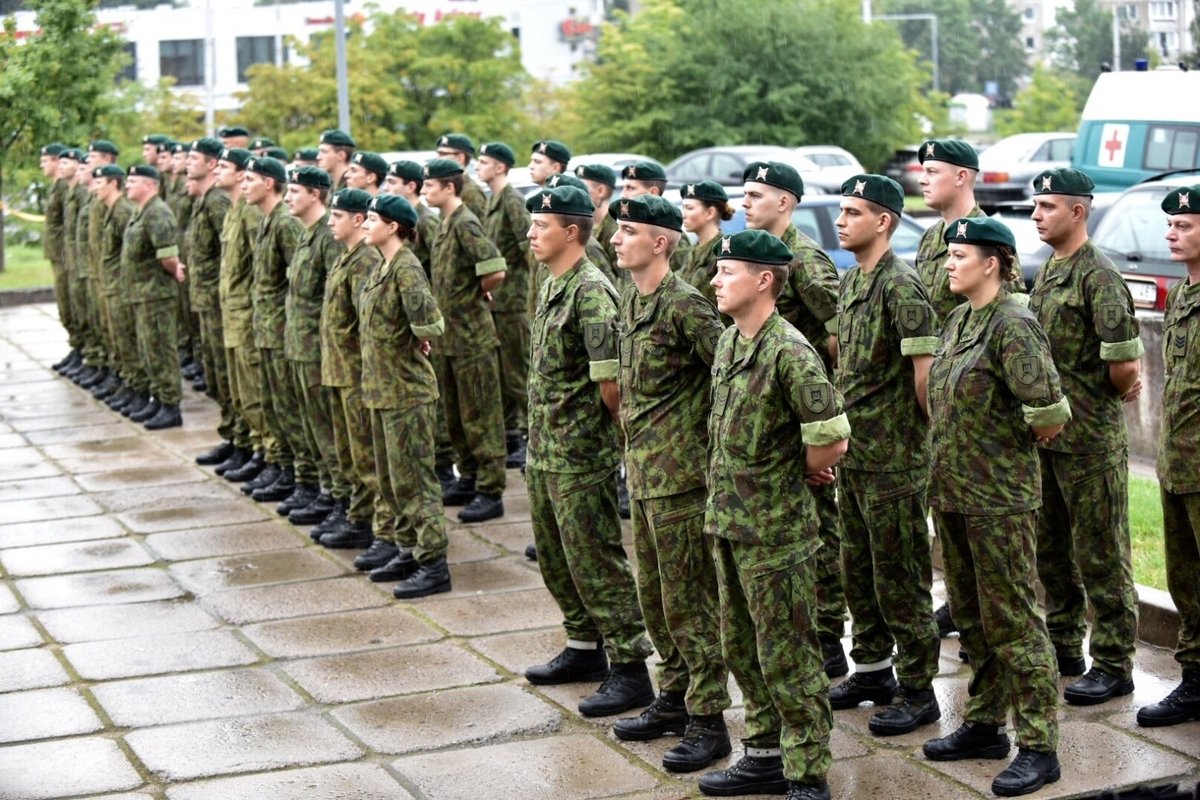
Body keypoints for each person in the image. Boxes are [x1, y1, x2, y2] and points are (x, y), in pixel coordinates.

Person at [699, 228, 849, 800]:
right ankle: (762, 754)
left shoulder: (790, 350)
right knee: (741, 645)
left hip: (776, 530)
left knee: (788, 654)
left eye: (727, 272)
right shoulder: (730, 343)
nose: (715, 280)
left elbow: (831, 439)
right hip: (729, 521)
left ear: (763, 280)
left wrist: (800, 469)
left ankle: (808, 770)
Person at [923, 216, 1069, 798]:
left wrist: (1005, 454)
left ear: (993, 263)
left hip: (999, 502)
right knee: (971, 618)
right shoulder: (962, 319)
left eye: (960, 256)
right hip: (955, 495)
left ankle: (1039, 744)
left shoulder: (1014, 323)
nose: (949, 264)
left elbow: (1050, 411)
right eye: (948, 254)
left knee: (1013, 620)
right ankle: (984, 724)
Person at [521, 185, 655, 718]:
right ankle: (583, 648)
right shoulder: (551, 283)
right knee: (556, 558)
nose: (531, 234)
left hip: (580, 454)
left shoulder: (592, 292)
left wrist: (615, 447)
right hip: (546, 448)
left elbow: (612, 387)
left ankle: (629, 669)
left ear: (572, 232)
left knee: (595, 560)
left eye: (541, 226)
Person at [609, 194, 732, 771]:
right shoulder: (633, 301)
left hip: (684, 480)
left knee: (691, 606)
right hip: (646, 475)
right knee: (656, 601)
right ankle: (676, 697)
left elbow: (732, 374)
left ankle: (709, 721)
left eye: (627, 231)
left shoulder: (686, 306)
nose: (614, 239)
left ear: (659, 243)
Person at [830, 174, 941, 736]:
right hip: (856, 457)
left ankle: (919, 689)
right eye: (842, 210)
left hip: (894, 461)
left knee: (901, 577)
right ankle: (872, 669)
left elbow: (926, 379)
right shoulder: (853, 281)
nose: (841, 220)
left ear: (884, 222)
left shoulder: (902, 286)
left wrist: (918, 443)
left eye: (853, 212)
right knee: (860, 571)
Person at [1028, 168, 1143, 704]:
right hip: (1049, 442)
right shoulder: (1051, 270)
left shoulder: (1098, 274)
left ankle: (1115, 662)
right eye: (1035, 205)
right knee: (1051, 551)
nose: (1036, 215)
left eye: (1048, 206)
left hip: (1090, 440)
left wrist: (1108, 395)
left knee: (1101, 554)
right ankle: (1065, 643)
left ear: (1078, 211)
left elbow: (1123, 364)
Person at [741, 161, 846, 677]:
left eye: (756, 195)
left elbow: (838, 335)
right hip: (773, 419)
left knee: (821, 530)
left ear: (785, 202)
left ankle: (827, 637)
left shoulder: (802, 259)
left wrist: (821, 412)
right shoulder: (760, 255)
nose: (744, 204)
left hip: (805, 413)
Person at [359, 193, 452, 598]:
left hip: (406, 393)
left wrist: (420, 341)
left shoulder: (407, 268)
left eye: (371, 218)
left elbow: (430, 323)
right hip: (383, 390)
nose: (364, 224)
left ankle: (433, 563)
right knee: (393, 481)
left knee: (415, 482)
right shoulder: (385, 265)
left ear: (392, 226)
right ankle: (407, 548)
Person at [1137, 183, 1200, 729]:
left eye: (1184, 226)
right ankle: (1196, 680)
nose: (1171, 233)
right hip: (1179, 464)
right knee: (1187, 581)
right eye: (1171, 225)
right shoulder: (1182, 296)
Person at [423, 158, 509, 523]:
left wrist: (479, 292)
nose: (425, 190)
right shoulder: (446, 224)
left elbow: (495, 269)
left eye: (430, 185)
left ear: (449, 188)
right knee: (456, 416)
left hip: (471, 338)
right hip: (450, 338)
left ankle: (491, 489)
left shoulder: (465, 222)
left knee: (480, 413)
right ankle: (469, 476)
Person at [318, 189, 384, 552]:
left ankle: (377, 526)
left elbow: (367, 325)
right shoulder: (348, 257)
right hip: (340, 370)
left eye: (337, 215)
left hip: (358, 373)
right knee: (350, 454)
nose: (330, 221)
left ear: (357, 220)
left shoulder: (364, 261)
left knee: (366, 457)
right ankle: (358, 516)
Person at [385, 159, 456, 491]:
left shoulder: (423, 224)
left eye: (392, 180)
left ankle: (446, 465)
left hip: (433, 320)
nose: (387, 185)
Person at [280, 166, 345, 527]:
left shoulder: (328, 239)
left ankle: (341, 499)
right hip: (300, 347)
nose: (288, 197)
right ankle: (325, 490)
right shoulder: (307, 236)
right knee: (312, 428)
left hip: (320, 351)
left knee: (328, 430)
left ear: (315, 195)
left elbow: (337, 301)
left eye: (295, 191)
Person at [245, 156, 304, 504]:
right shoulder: (269, 220)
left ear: (269, 183)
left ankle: (300, 477)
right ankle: (283, 468)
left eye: (249, 179)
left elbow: (299, 282)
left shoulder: (285, 224)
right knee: (274, 406)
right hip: (266, 329)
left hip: (284, 332)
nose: (243, 184)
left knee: (289, 408)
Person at [478, 141, 534, 469]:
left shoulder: (512, 200)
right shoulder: (492, 201)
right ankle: (513, 434)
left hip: (512, 301)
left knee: (517, 374)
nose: (478, 167)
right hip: (497, 302)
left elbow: (528, 248)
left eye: (484, 162)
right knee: (503, 374)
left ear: (500, 167)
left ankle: (530, 437)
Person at [217, 147, 269, 483]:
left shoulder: (251, 215)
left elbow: (259, 271)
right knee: (239, 391)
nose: (216, 170)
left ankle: (266, 455)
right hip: (232, 313)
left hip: (247, 316)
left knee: (254, 393)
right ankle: (249, 447)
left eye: (223, 166)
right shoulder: (236, 210)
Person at [120, 164, 185, 429]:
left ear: (149, 185)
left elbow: (168, 256)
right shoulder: (141, 212)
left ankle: (171, 406)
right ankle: (158, 400)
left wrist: (175, 268)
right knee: (149, 350)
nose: (127, 185)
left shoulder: (158, 213)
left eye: (133, 181)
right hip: (143, 295)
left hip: (156, 295)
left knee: (161, 349)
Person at [184, 138, 235, 468]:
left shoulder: (217, 202)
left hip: (218, 303)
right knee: (215, 374)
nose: (188, 163)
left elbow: (227, 255)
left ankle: (241, 440)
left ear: (212, 165)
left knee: (226, 376)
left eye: (194, 158)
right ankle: (233, 436)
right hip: (205, 300)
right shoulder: (203, 200)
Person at [620, 161, 691, 271]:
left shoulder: (672, 236)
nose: (623, 195)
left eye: (630, 188)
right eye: (623, 188)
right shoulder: (622, 230)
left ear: (653, 192)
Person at [678, 179, 732, 307]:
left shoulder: (723, 252)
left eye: (689, 208)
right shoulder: (694, 250)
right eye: (683, 207)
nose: (683, 214)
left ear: (710, 213)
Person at [575, 163, 619, 270]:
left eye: (582, 189)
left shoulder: (616, 231)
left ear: (601, 191)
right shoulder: (589, 226)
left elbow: (625, 281)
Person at [435, 133, 487, 219]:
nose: (437, 158)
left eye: (443, 154)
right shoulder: (449, 188)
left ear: (460, 158)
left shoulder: (471, 192)